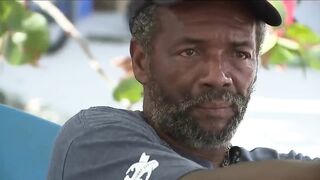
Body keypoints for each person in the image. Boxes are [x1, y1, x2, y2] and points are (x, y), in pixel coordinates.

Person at [47, 0, 320, 179]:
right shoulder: (94, 140)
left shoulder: (277, 165)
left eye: (240, 54)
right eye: (190, 52)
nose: (218, 77)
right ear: (142, 61)